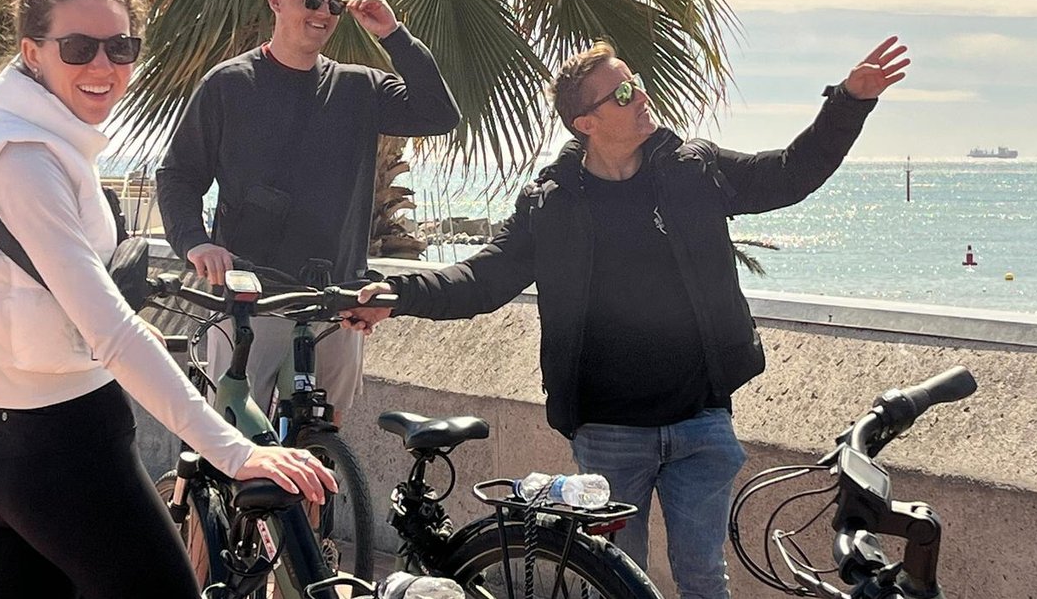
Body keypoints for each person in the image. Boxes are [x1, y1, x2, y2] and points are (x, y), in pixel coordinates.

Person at [343, 37, 911, 599]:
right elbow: (481, 279)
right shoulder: (551, 203)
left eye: (635, 84)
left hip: (701, 421)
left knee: (704, 579)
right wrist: (398, 293)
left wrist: (849, 102)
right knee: (617, 582)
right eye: (621, 93)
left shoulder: (693, 170)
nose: (640, 96)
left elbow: (789, 174)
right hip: (609, 431)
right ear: (585, 123)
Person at [0, 0, 335, 598]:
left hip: (3, 449)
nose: (104, 66)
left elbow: (19, 280)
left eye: (121, 47)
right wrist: (237, 452)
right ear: (32, 52)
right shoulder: (27, 160)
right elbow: (111, 332)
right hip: (69, 458)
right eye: (78, 47)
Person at [156, 0, 460, 422]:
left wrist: (393, 34)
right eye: (311, 0)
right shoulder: (229, 84)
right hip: (250, 296)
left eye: (333, 5)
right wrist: (195, 243)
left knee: (324, 436)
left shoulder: (359, 87)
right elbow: (179, 173)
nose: (323, 13)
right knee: (234, 436)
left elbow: (439, 113)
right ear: (277, 1)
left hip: (335, 297)